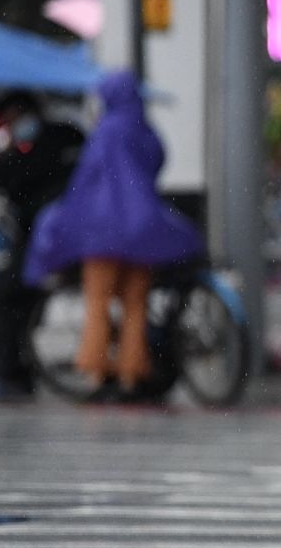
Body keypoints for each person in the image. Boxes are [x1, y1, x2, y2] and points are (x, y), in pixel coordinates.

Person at [24, 73, 204, 401]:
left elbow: (86, 178)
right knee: (136, 305)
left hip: (101, 234)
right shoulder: (143, 128)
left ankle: (97, 372)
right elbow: (158, 159)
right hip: (141, 230)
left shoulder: (104, 132)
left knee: (99, 303)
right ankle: (131, 375)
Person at [0, 91, 83, 402]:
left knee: (5, 296)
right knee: (21, 300)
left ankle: (7, 376)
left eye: (11, 118)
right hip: (77, 232)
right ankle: (21, 368)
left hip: (47, 238)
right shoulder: (68, 135)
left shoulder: (32, 147)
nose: (10, 124)